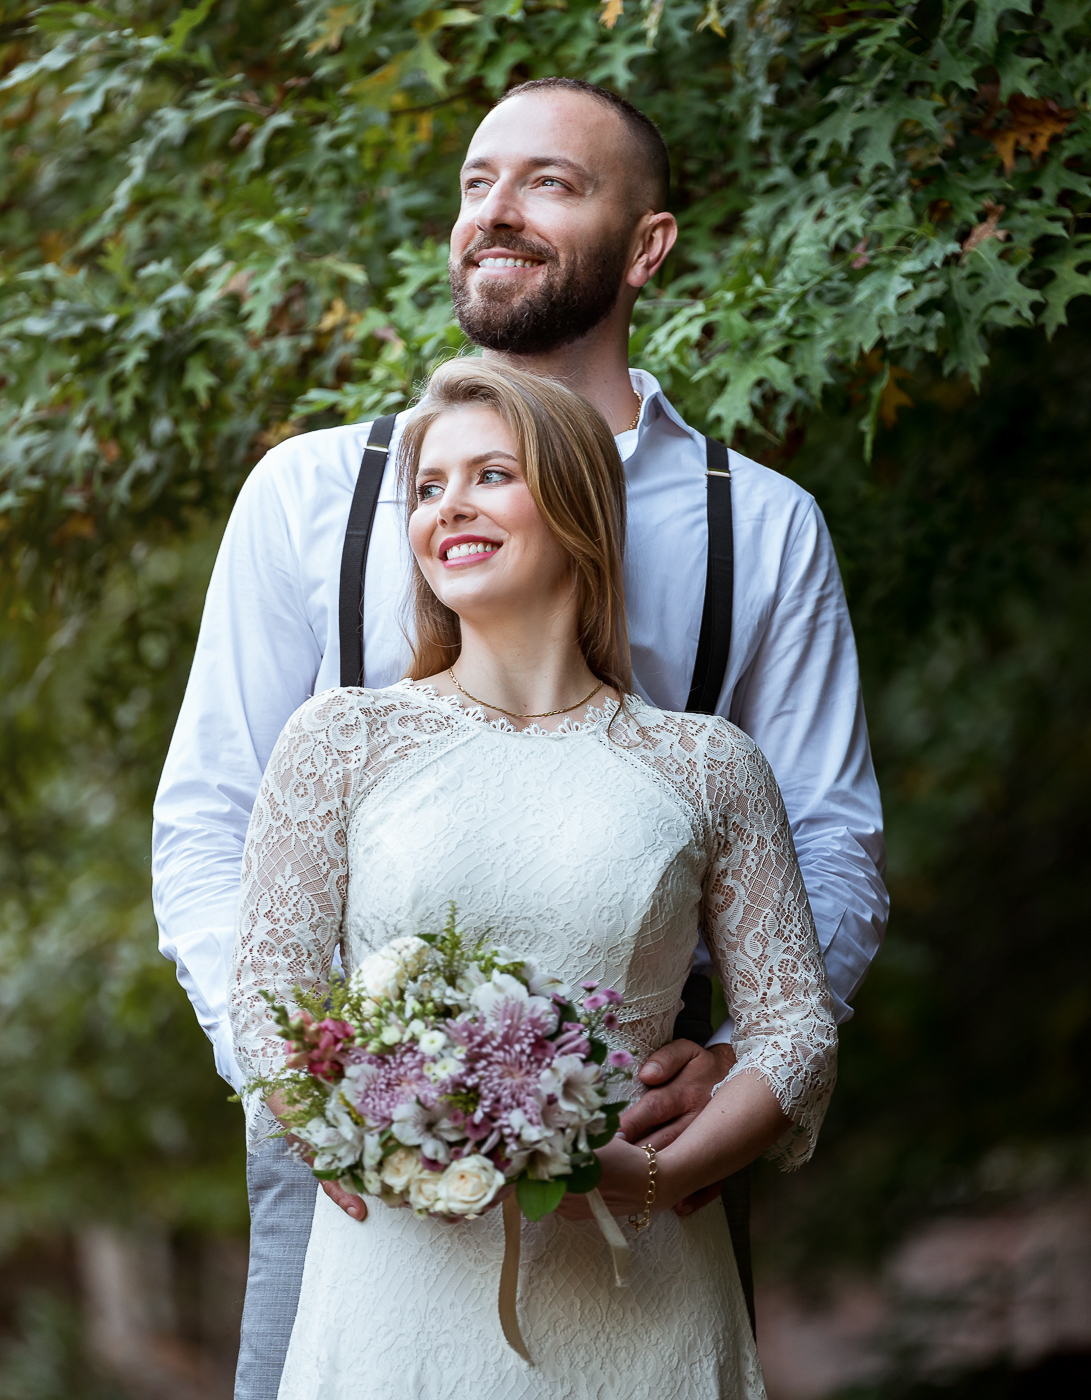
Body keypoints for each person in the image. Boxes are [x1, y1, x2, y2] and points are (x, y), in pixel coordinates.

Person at [153, 78, 887, 1399]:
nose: (496, 209)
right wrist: (302, 1086)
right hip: (351, 1159)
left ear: (647, 245)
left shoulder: (759, 524)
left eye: (551, 182)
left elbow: (828, 840)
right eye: (478, 181)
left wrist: (737, 1076)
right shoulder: (313, 492)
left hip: (654, 1139)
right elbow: (208, 819)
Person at [230, 358, 838, 1398]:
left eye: (491, 475)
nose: (448, 507)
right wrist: (359, 1133)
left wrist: (657, 1175)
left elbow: (795, 1028)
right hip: (398, 1280)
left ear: (577, 505)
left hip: (642, 1284)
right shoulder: (340, 739)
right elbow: (266, 996)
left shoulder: (707, 763)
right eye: (429, 487)